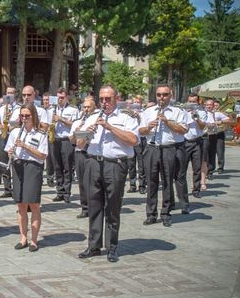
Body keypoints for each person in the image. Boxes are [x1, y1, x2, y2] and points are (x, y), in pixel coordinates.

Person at [76, 84, 139, 262]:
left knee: (112, 207)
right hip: (93, 163)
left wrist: (110, 127)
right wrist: (86, 134)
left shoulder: (127, 116)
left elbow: (133, 140)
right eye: (101, 99)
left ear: (116, 99)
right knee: (94, 205)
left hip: (115, 165)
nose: (104, 103)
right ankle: (94, 245)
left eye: (108, 99)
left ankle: (112, 247)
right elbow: (79, 145)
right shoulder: (92, 117)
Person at [140, 85, 188, 227]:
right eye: (159, 95)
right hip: (151, 148)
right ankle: (151, 214)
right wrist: (149, 127)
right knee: (151, 182)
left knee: (167, 181)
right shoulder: (148, 111)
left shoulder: (178, 111)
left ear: (170, 95)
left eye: (165, 95)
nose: (162, 98)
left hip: (169, 148)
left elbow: (183, 130)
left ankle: (166, 213)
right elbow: (141, 131)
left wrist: (167, 122)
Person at [5, 103, 48, 252]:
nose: (24, 119)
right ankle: (23, 238)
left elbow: (42, 155)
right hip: (18, 167)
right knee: (21, 205)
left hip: (33, 168)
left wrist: (25, 146)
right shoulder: (15, 132)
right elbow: (8, 150)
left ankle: (34, 240)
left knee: (34, 204)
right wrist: (11, 152)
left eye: (27, 116)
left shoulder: (40, 134)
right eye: (22, 116)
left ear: (33, 116)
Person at [69, 96, 97, 218]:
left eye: (88, 107)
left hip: (91, 153)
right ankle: (84, 208)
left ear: (94, 107)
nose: (86, 109)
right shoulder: (77, 121)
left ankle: (94, 207)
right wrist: (76, 132)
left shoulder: (97, 119)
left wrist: (88, 134)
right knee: (81, 182)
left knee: (92, 182)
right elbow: (71, 141)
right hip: (79, 152)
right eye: (84, 107)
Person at [51, 87, 79, 203]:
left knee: (67, 167)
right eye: (58, 98)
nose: (60, 100)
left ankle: (67, 193)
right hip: (55, 139)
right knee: (57, 167)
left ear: (67, 97)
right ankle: (60, 192)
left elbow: (75, 124)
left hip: (66, 140)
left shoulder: (73, 110)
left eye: (62, 97)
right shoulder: (53, 109)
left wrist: (61, 119)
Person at [0, 86, 20, 198]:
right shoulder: (2, 108)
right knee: (4, 163)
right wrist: (3, 127)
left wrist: (10, 128)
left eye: (12, 93)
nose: (9, 95)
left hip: (14, 136)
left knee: (16, 162)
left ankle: (17, 188)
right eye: (8, 93)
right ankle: (7, 188)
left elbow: (19, 122)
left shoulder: (19, 108)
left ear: (15, 94)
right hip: (3, 136)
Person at [183, 94, 206, 199]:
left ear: (198, 102)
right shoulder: (182, 112)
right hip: (185, 142)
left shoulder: (201, 112)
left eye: (194, 102)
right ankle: (182, 191)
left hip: (197, 142)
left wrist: (196, 117)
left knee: (196, 168)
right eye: (190, 101)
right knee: (181, 169)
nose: (191, 104)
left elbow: (202, 126)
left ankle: (196, 190)